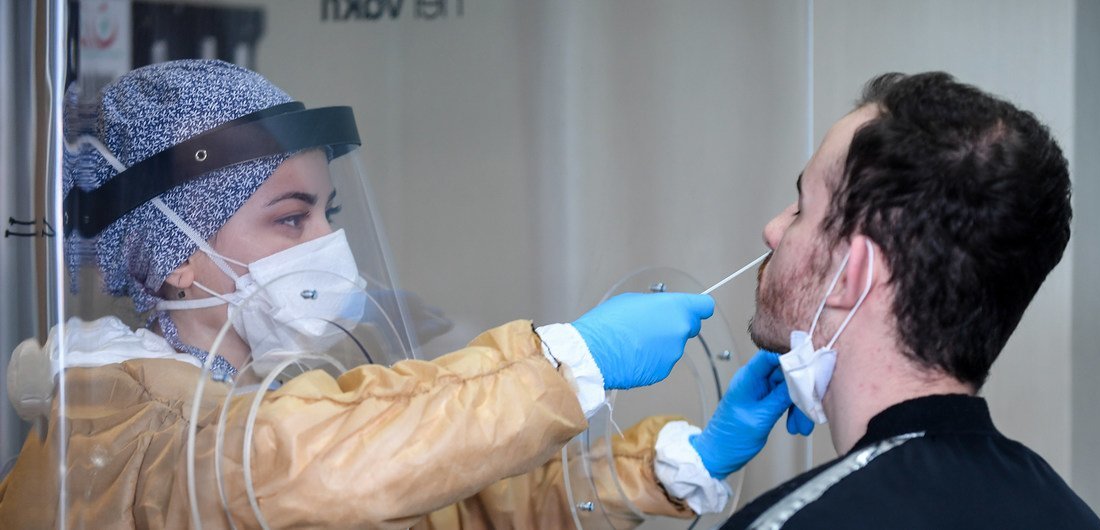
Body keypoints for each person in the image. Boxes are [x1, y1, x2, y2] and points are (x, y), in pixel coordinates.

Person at [0, 59, 804, 529]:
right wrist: (570, 359)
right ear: (176, 256)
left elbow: (460, 496)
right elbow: (296, 469)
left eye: (329, 211)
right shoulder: (115, 424)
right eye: (290, 217)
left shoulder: (283, 392)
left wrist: (672, 464)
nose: (326, 243)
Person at [717, 72, 1100, 529]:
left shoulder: (790, 522)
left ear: (852, 275)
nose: (773, 231)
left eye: (802, 207)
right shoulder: (1073, 517)